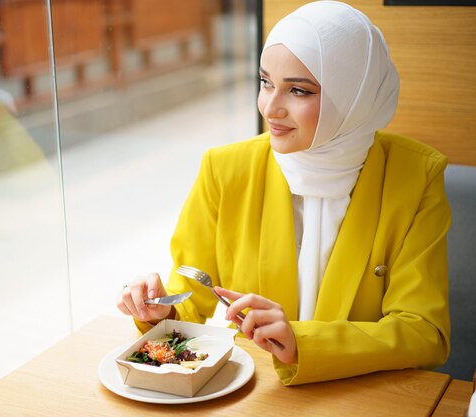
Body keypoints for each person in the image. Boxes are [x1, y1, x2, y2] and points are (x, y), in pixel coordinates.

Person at [116, 1, 451, 386]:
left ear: (353, 98)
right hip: (253, 394)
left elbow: (425, 334)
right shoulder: (225, 169)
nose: (270, 108)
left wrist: (303, 343)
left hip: (362, 397)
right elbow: (188, 303)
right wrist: (157, 311)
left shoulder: (415, 176)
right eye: (265, 82)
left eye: (298, 90)